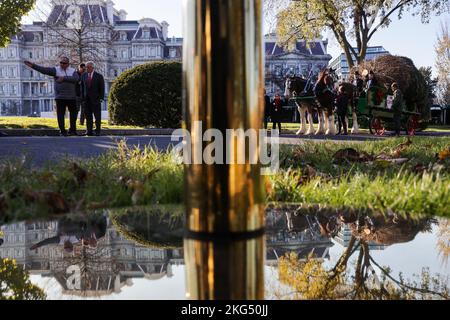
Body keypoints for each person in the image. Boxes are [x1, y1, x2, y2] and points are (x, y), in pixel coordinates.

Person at [24, 56, 79, 136]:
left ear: (68, 64)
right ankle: (62, 131)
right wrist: (33, 66)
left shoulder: (73, 71)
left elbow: (76, 79)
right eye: (61, 62)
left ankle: (72, 130)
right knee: (60, 115)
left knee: (73, 115)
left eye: (64, 63)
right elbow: (44, 70)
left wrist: (63, 78)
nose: (62, 64)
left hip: (71, 97)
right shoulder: (56, 70)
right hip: (60, 97)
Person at [81, 61, 105, 136]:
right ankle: (89, 131)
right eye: (86, 67)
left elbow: (102, 88)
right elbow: (82, 87)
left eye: (88, 67)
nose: (86, 68)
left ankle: (97, 131)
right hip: (86, 100)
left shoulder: (99, 76)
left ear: (92, 67)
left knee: (97, 116)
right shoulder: (83, 75)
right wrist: (82, 98)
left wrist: (101, 98)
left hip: (96, 99)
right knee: (88, 116)